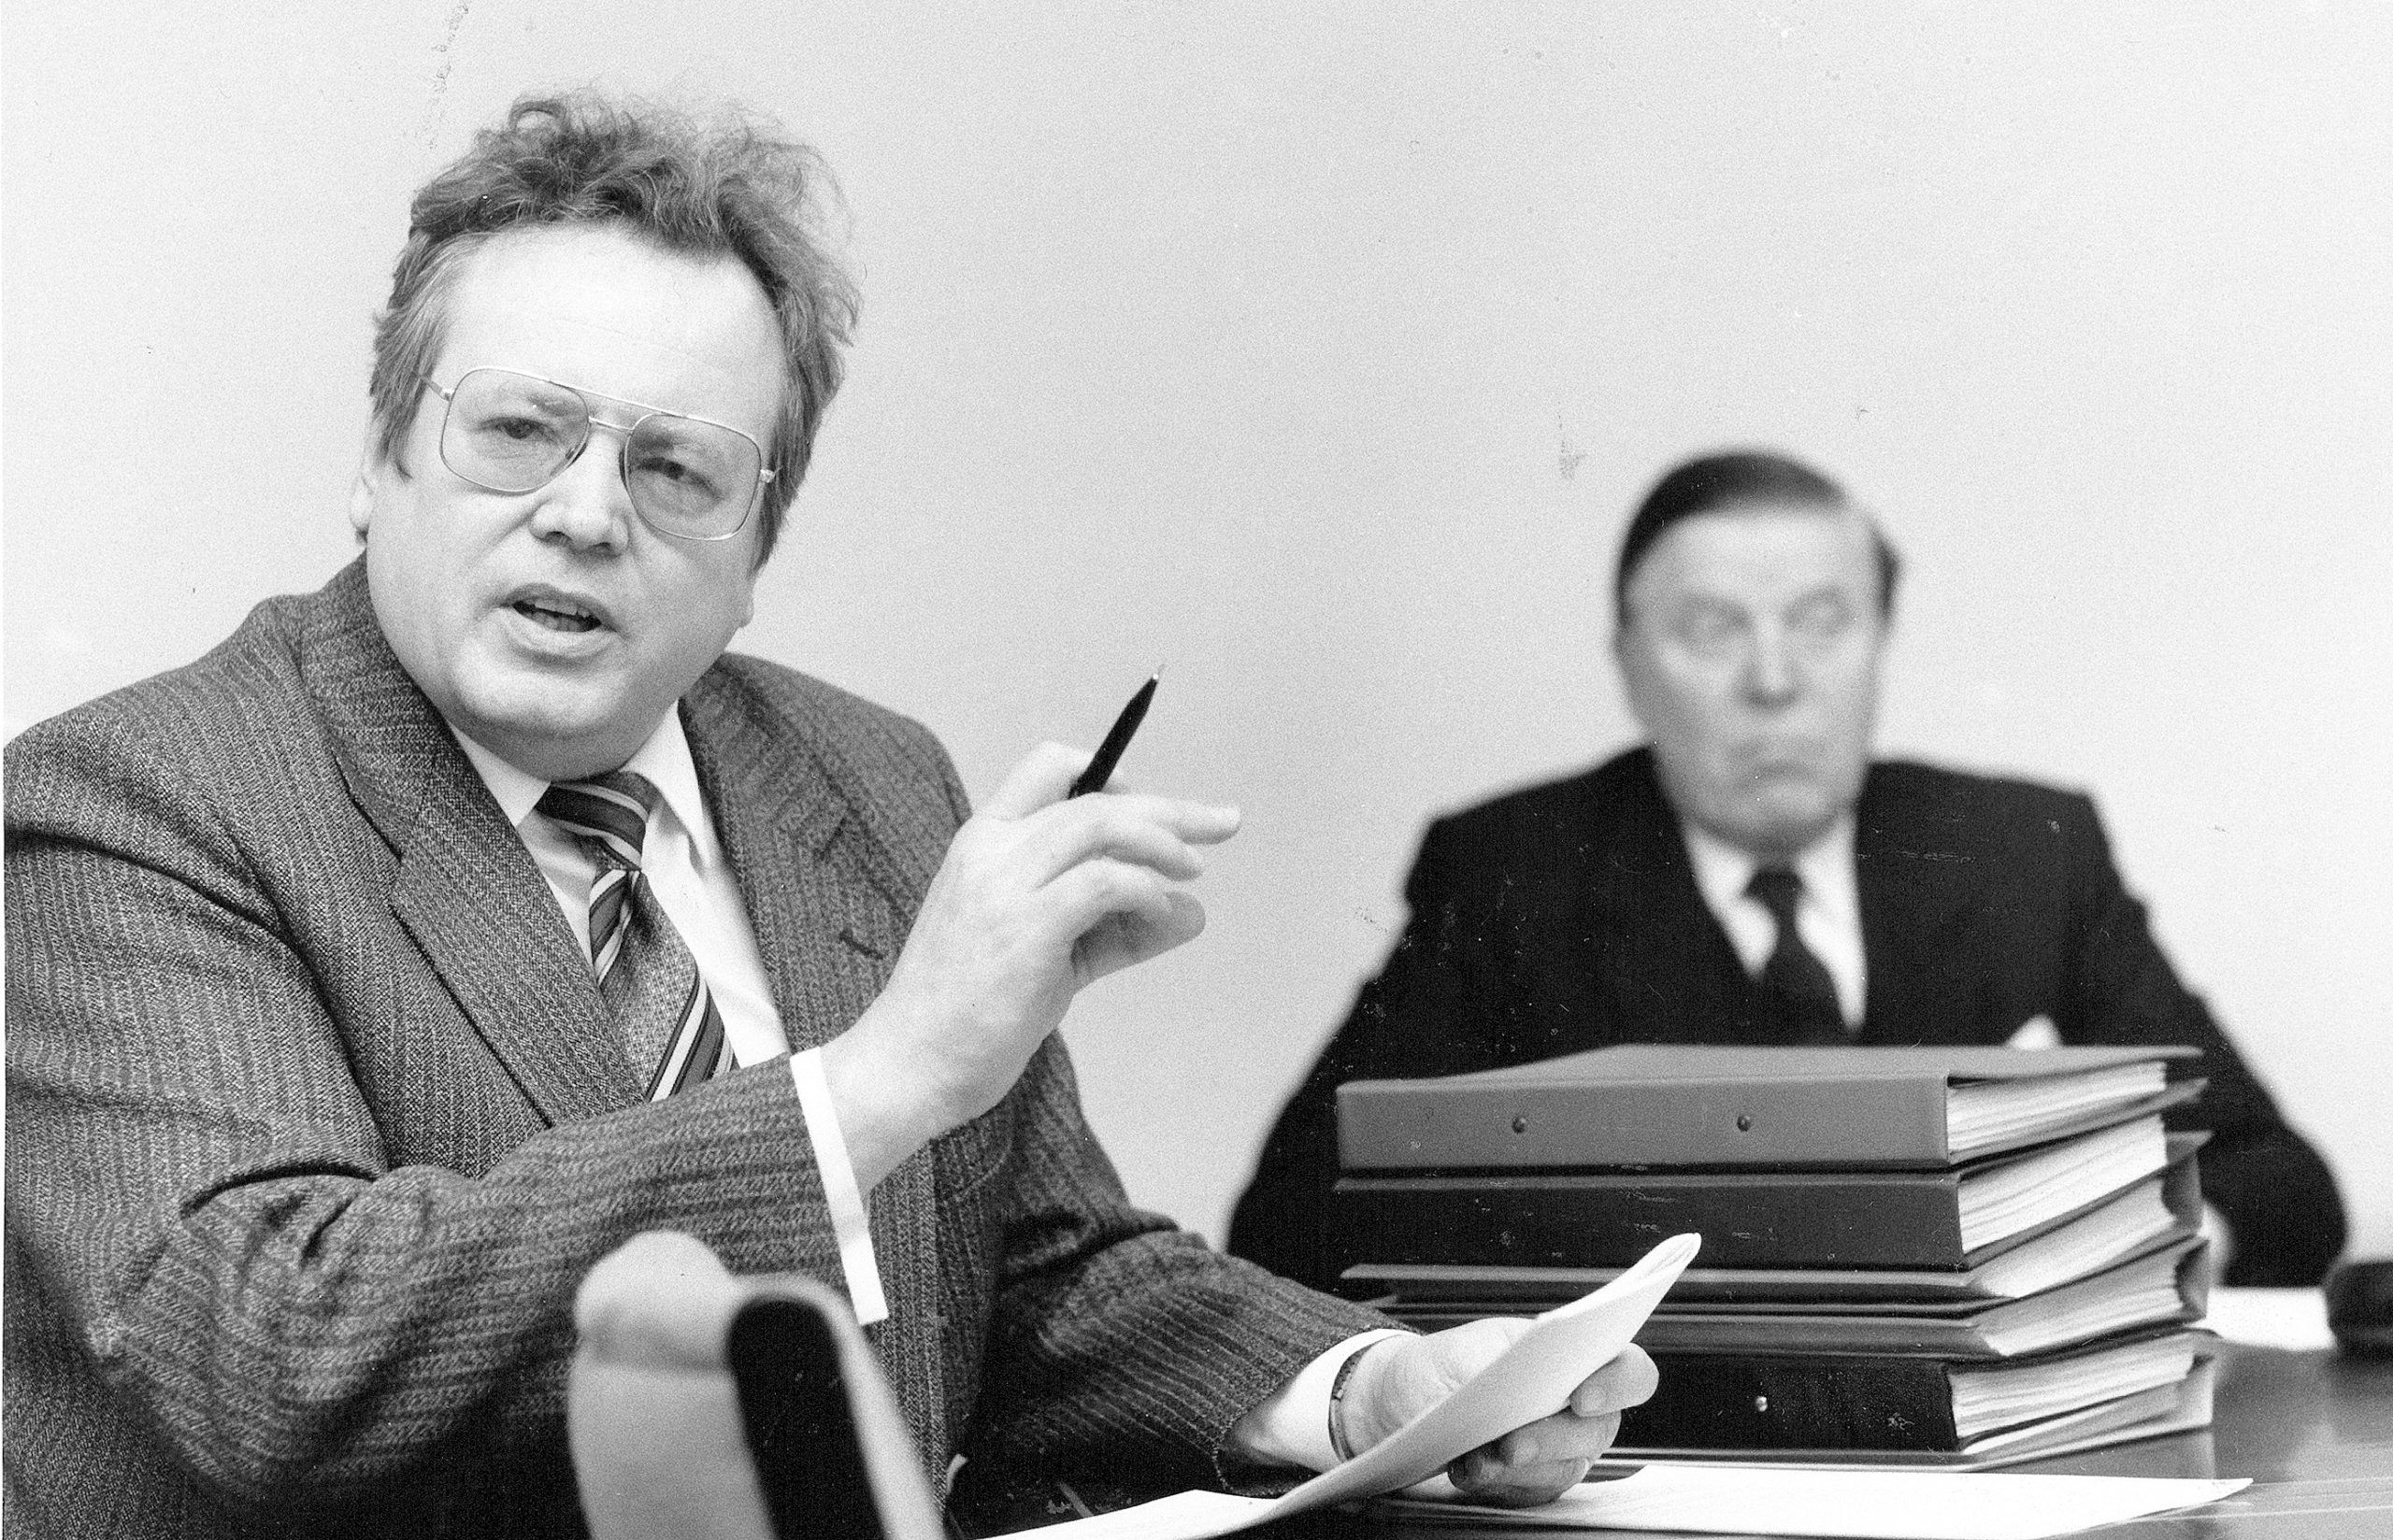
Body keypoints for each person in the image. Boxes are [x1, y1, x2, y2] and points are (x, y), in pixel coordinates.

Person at [1, 94, 1657, 1539]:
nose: (585, 515)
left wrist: (1373, 1390)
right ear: (378, 464)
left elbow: (1035, 1278)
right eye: (516, 431)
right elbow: (275, 1351)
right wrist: (878, 1081)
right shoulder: (137, 799)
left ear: (755, 552)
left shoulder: (862, 775)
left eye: (677, 469)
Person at [1228, 449, 2347, 1294]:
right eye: (1712, 629)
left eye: (1820, 624)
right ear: (1628, 666)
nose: (1774, 682)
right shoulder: (1514, 874)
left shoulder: (2021, 851)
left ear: (1879, 643)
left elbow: (2282, 1183)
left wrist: (2143, 1251)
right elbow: (1286, 1222)